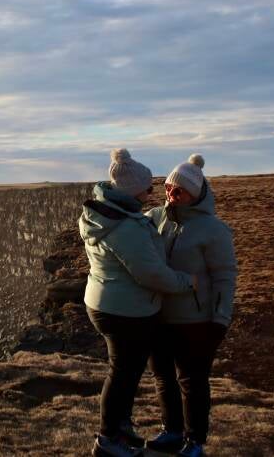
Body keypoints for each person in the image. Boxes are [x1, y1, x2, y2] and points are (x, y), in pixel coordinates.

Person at [81, 148, 197, 457]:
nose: (152, 193)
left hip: (104, 302)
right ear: (133, 191)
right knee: (122, 374)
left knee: (125, 372)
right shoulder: (126, 228)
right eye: (148, 188)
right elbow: (152, 275)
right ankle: (107, 441)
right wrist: (187, 281)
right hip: (124, 311)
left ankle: (120, 429)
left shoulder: (106, 214)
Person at [144, 154, 237, 457]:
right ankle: (171, 431)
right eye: (169, 187)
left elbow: (225, 277)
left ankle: (194, 440)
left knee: (192, 381)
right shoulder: (154, 218)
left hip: (195, 321)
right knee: (162, 377)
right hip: (158, 316)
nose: (172, 194)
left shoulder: (214, 230)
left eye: (179, 190)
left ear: (195, 195)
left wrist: (220, 320)